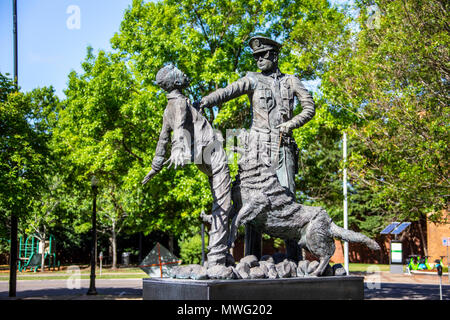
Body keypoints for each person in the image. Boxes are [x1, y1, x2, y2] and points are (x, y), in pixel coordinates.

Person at [199, 36, 315, 261]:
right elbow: (228, 91)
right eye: (256, 57)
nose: (259, 60)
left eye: (263, 55)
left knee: (287, 200)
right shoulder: (252, 80)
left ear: (274, 55)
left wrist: (290, 124)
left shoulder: (291, 81)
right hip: (258, 151)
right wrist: (205, 101)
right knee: (252, 200)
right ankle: (251, 258)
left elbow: (309, 107)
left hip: (283, 148)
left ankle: (295, 260)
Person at [142, 64, 232, 267]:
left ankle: (222, 251)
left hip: (202, 157)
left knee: (224, 201)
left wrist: (156, 166)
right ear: (174, 82)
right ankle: (217, 257)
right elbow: (179, 128)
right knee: (224, 204)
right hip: (212, 153)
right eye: (178, 72)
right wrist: (177, 149)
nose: (182, 72)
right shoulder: (180, 102)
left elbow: (162, 137)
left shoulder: (168, 108)